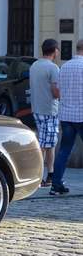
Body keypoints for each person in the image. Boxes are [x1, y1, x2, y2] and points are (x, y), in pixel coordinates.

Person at [51, 39, 83, 195]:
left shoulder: (64, 67)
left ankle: (56, 184)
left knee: (64, 150)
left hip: (66, 115)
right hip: (81, 114)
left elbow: (58, 90)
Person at [30, 39, 60, 187]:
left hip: (36, 108)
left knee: (45, 142)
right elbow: (55, 92)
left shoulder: (34, 65)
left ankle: (48, 175)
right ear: (54, 50)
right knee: (47, 144)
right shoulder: (53, 68)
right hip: (49, 109)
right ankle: (43, 177)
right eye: (58, 50)